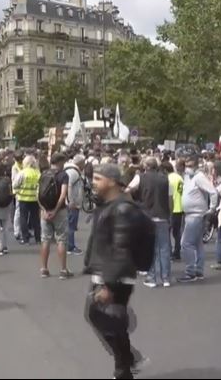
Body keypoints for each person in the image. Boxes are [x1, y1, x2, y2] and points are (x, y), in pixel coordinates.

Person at [83, 163, 148, 380]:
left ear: (111, 181)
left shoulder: (121, 208)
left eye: (98, 178)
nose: (93, 182)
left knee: (105, 318)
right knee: (107, 319)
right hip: (107, 271)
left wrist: (109, 284)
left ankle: (125, 367)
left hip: (115, 274)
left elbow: (121, 248)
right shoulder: (109, 204)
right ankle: (127, 362)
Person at [125, 157, 172, 287]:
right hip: (163, 215)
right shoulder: (165, 178)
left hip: (147, 215)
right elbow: (170, 198)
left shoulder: (140, 177)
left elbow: (127, 190)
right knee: (164, 248)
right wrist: (170, 214)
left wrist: (134, 203)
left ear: (145, 166)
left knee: (151, 248)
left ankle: (152, 277)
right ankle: (166, 277)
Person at [177, 160, 218, 283]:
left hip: (196, 215)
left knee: (186, 243)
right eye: (186, 166)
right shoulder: (187, 177)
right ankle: (198, 270)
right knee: (197, 244)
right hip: (191, 214)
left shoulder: (199, 177)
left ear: (196, 166)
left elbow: (213, 191)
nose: (187, 168)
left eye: (190, 165)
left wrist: (212, 208)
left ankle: (190, 272)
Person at [39, 153, 72, 279]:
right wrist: (56, 210)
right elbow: (63, 195)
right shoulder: (63, 175)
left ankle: (44, 268)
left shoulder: (44, 174)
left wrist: (44, 210)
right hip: (60, 211)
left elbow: (39, 194)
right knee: (61, 240)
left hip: (45, 211)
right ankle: (63, 270)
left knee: (45, 239)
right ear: (60, 162)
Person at [14, 155, 41, 245]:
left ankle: (25, 239)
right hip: (34, 199)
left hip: (23, 198)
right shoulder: (37, 173)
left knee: (23, 218)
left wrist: (18, 192)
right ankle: (38, 238)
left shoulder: (22, 173)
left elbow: (15, 185)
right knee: (36, 219)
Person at [65, 154, 86, 256]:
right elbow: (68, 186)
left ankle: (68, 245)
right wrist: (70, 200)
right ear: (80, 163)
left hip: (72, 202)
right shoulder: (73, 172)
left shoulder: (71, 170)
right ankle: (70, 246)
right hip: (72, 204)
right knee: (71, 226)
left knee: (70, 225)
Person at [166, 160, 184, 261]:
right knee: (177, 232)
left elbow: (169, 195)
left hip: (171, 207)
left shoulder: (168, 179)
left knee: (167, 231)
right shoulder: (179, 177)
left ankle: (169, 252)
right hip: (180, 206)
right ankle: (177, 252)